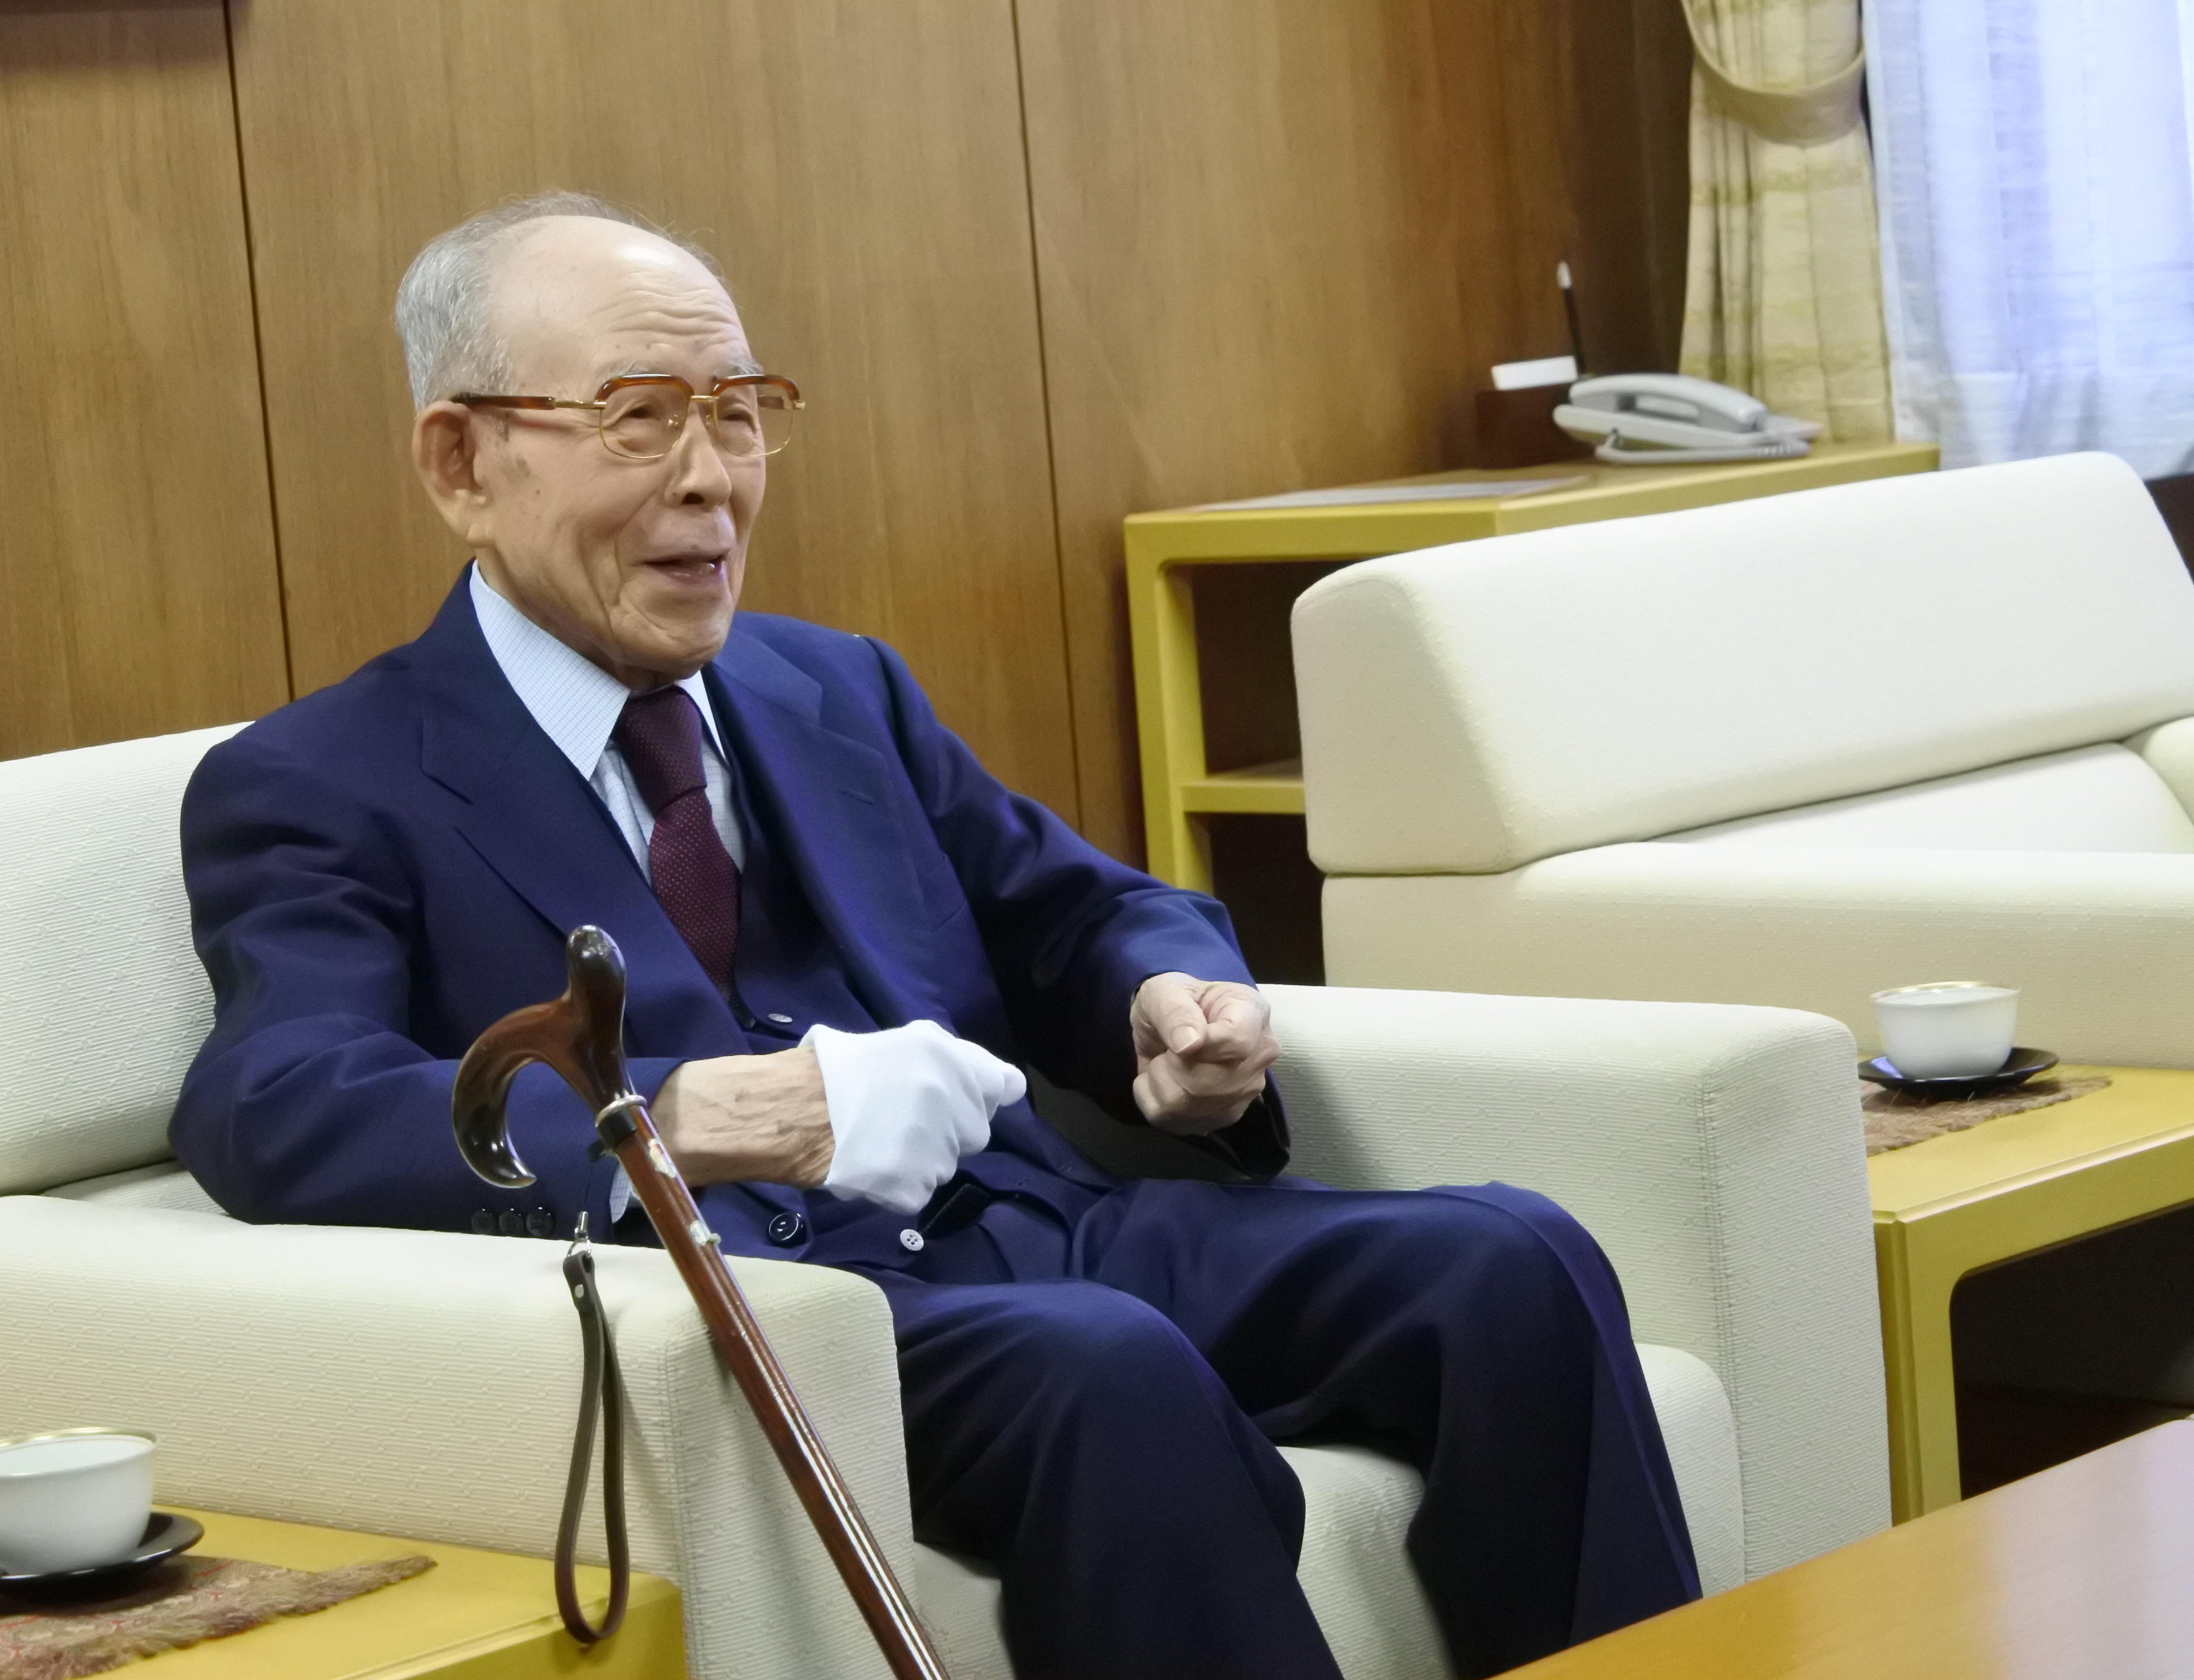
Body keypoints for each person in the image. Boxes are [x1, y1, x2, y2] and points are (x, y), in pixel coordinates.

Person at [171, 191, 1699, 1680]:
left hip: (1041, 1227)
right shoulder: (320, 782)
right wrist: (690, 1118)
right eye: (641, 419)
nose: (714, 480)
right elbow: (275, 1103)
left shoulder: (832, 688)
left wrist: (1174, 997)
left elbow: (1072, 907)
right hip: (788, 1314)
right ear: (463, 462)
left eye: (740, 411)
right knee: (1108, 1370)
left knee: (1512, 1257)